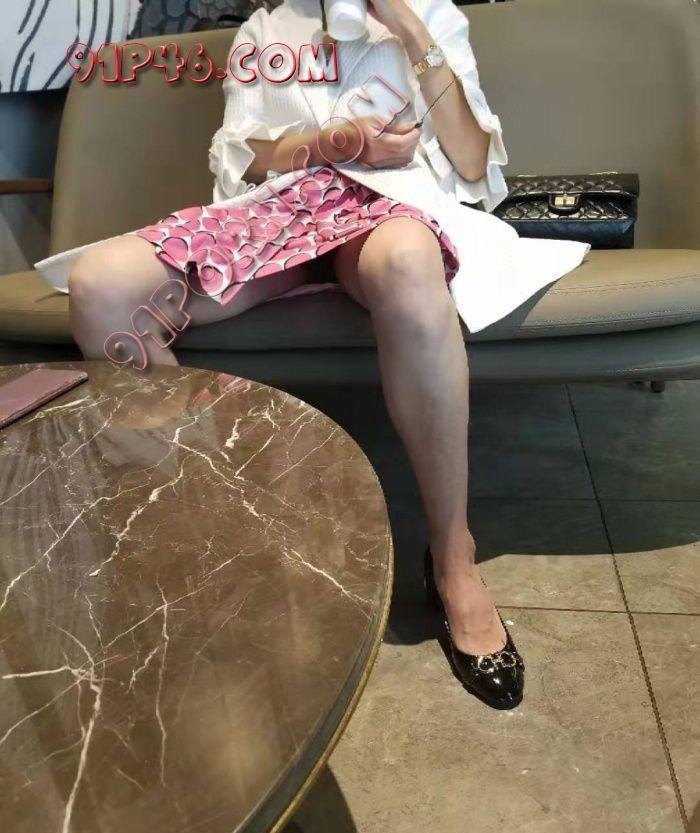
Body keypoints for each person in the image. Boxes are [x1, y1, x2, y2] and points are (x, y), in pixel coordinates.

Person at [35, 0, 592, 710]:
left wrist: (409, 29)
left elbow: (474, 158)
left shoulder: (430, 15)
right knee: (102, 287)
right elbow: (240, 155)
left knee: (407, 260)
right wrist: (332, 141)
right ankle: (211, 534)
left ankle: (454, 558)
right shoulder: (265, 30)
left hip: (392, 213)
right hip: (282, 216)